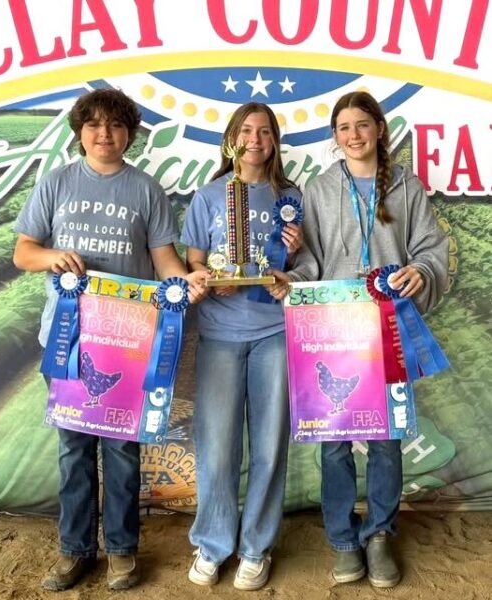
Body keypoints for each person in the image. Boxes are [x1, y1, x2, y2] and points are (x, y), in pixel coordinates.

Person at [13, 88, 206, 592]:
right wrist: (51, 257)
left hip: (127, 343)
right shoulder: (56, 183)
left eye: (116, 125)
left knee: (122, 450)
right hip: (67, 341)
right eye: (95, 124)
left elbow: (164, 259)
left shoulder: (146, 190)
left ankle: (122, 550)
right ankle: (74, 550)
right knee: (73, 449)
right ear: (80, 131)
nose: (105, 134)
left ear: (129, 134)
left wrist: (184, 281)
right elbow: (23, 252)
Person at [289, 91, 449, 588]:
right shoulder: (319, 188)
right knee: (334, 441)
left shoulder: (406, 186)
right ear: (335, 137)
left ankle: (379, 533)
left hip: (387, 329)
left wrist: (421, 270)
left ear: (379, 129)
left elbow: (430, 248)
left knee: (385, 439)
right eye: (344, 127)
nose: (353, 135)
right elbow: (309, 261)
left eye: (362, 124)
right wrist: (293, 275)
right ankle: (342, 539)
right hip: (334, 330)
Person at [180, 102, 302, 591]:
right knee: (216, 446)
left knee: (270, 445)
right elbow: (193, 261)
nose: (256, 140)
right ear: (231, 139)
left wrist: (293, 257)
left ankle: (256, 547)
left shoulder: (291, 197)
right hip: (219, 333)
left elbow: (305, 266)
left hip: (274, 333)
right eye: (247, 131)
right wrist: (208, 279)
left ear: (274, 141)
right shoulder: (208, 195)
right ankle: (212, 544)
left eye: (265, 132)